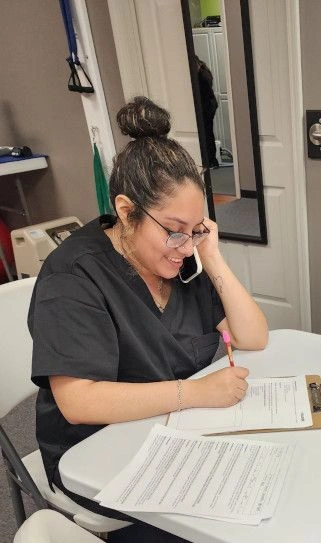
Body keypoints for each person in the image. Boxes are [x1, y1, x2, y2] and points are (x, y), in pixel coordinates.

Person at [29, 96, 268, 542]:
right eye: (174, 229)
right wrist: (194, 392)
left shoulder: (182, 259)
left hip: (175, 435)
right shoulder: (75, 274)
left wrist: (211, 254)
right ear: (125, 212)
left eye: (197, 228)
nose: (186, 244)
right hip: (99, 456)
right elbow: (78, 402)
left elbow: (253, 337)